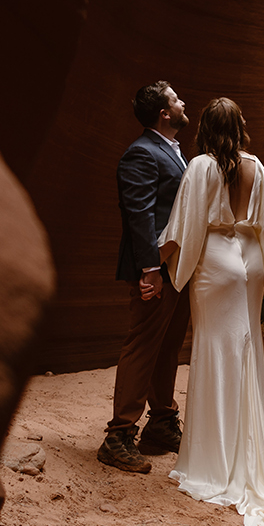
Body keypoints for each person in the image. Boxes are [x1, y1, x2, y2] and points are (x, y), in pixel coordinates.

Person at [158, 98, 264, 526]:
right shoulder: (257, 167)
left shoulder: (201, 166)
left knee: (214, 353)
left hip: (216, 262)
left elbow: (185, 225)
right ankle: (245, 448)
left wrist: (158, 263)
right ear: (240, 126)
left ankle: (213, 463)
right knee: (245, 350)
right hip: (251, 263)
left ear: (205, 127)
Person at [99, 81, 193, 474]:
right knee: (143, 345)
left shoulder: (169, 150)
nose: (183, 101)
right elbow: (139, 216)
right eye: (175, 98)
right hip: (157, 268)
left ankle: (161, 422)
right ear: (164, 114)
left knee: (167, 344)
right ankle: (118, 436)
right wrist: (150, 269)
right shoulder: (141, 153)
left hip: (177, 267)